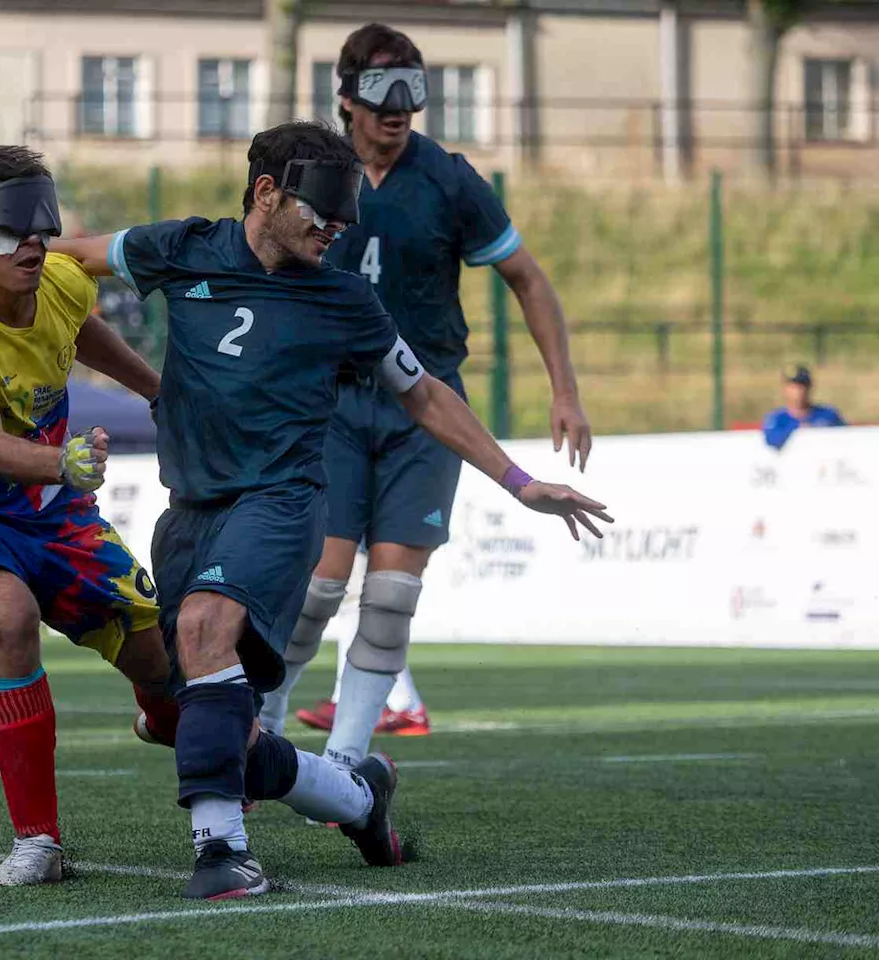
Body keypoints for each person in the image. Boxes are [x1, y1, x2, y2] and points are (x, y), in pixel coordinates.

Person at [53, 119, 612, 900]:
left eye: (347, 211)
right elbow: (67, 259)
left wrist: (521, 483)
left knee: (204, 628)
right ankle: (360, 797)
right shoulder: (179, 247)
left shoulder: (347, 300)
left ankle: (223, 852)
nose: (339, 226)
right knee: (221, 728)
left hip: (281, 503)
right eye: (323, 210)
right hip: (190, 513)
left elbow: (422, 393)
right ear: (266, 193)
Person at [260, 24, 592, 756]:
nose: (400, 105)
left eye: (414, 87)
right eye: (382, 89)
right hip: (331, 405)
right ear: (345, 98)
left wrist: (563, 390)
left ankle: (346, 766)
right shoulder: (312, 177)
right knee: (318, 587)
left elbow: (528, 279)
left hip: (426, 413)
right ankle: (261, 733)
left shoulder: (450, 180)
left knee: (391, 598)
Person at [0, 146, 177, 887]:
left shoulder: (56, 281)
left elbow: (78, 325)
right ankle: (38, 842)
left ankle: (173, 724)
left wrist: (160, 389)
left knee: (165, 670)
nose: (31, 243)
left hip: (54, 510)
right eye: (8, 229)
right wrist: (64, 463)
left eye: (40, 225)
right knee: (7, 616)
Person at [762, 364, 846, 451]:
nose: (798, 391)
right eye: (793, 386)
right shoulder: (777, 419)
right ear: (785, 389)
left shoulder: (828, 415)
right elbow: (772, 441)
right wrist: (798, 430)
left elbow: (845, 437)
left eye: (801, 386)